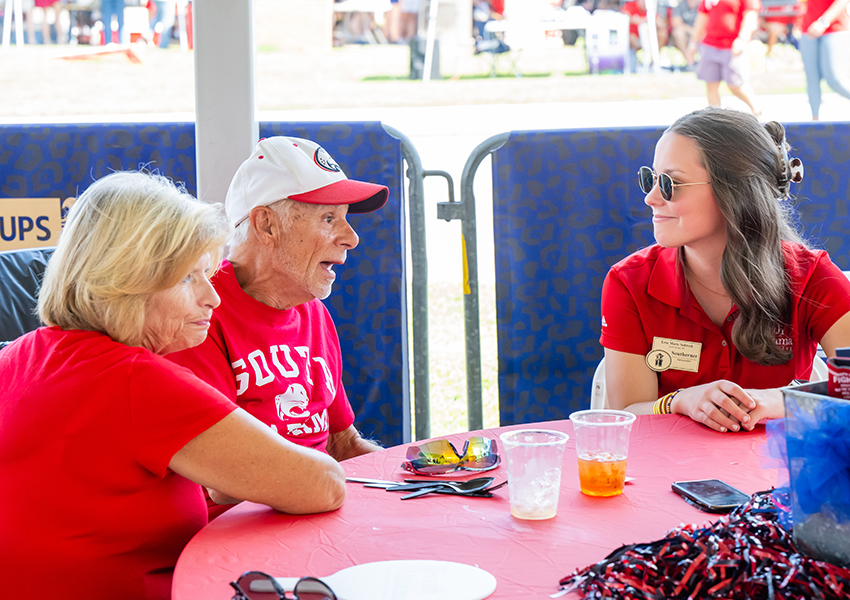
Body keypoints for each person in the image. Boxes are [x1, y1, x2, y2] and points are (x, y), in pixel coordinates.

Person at [0, 171, 346, 600]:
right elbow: (322, 484)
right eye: (189, 278)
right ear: (127, 283)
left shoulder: (17, 355)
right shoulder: (134, 381)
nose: (213, 297)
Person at [169, 137, 388, 510]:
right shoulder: (200, 313)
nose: (351, 238)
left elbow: (341, 442)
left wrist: (402, 486)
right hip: (235, 540)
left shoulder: (312, 309)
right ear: (266, 224)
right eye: (329, 218)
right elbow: (228, 479)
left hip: (314, 513)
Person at [600, 107, 850, 433]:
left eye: (670, 183)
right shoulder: (628, 282)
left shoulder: (814, 276)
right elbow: (624, 417)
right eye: (650, 179)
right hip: (671, 472)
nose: (650, 198)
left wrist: (781, 401)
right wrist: (680, 401)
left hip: (781, 473)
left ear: (735, 193)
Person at [686, 0, 762, 116]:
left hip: (732, 45)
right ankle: (715, 118)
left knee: (736, 84)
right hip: (710, 44)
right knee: (711, 84)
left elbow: (751, 15)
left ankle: (757, 111)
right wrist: (693, 43)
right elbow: (702, 17)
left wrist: (742, 38)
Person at [798, 0, 850, 120]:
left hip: (834, 27)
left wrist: (823, 21)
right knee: (812, 79)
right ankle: (815, 121)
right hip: (808, 28)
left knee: (835, 80)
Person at [671, 0, 700, 69]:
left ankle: (703, 62)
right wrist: (692, 31)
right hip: (687, 34)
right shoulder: (680, 5)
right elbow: (676, 23)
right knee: (678, 32)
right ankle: (689, 61)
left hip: (699, 34)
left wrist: (696, 32)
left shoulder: (701, 5)